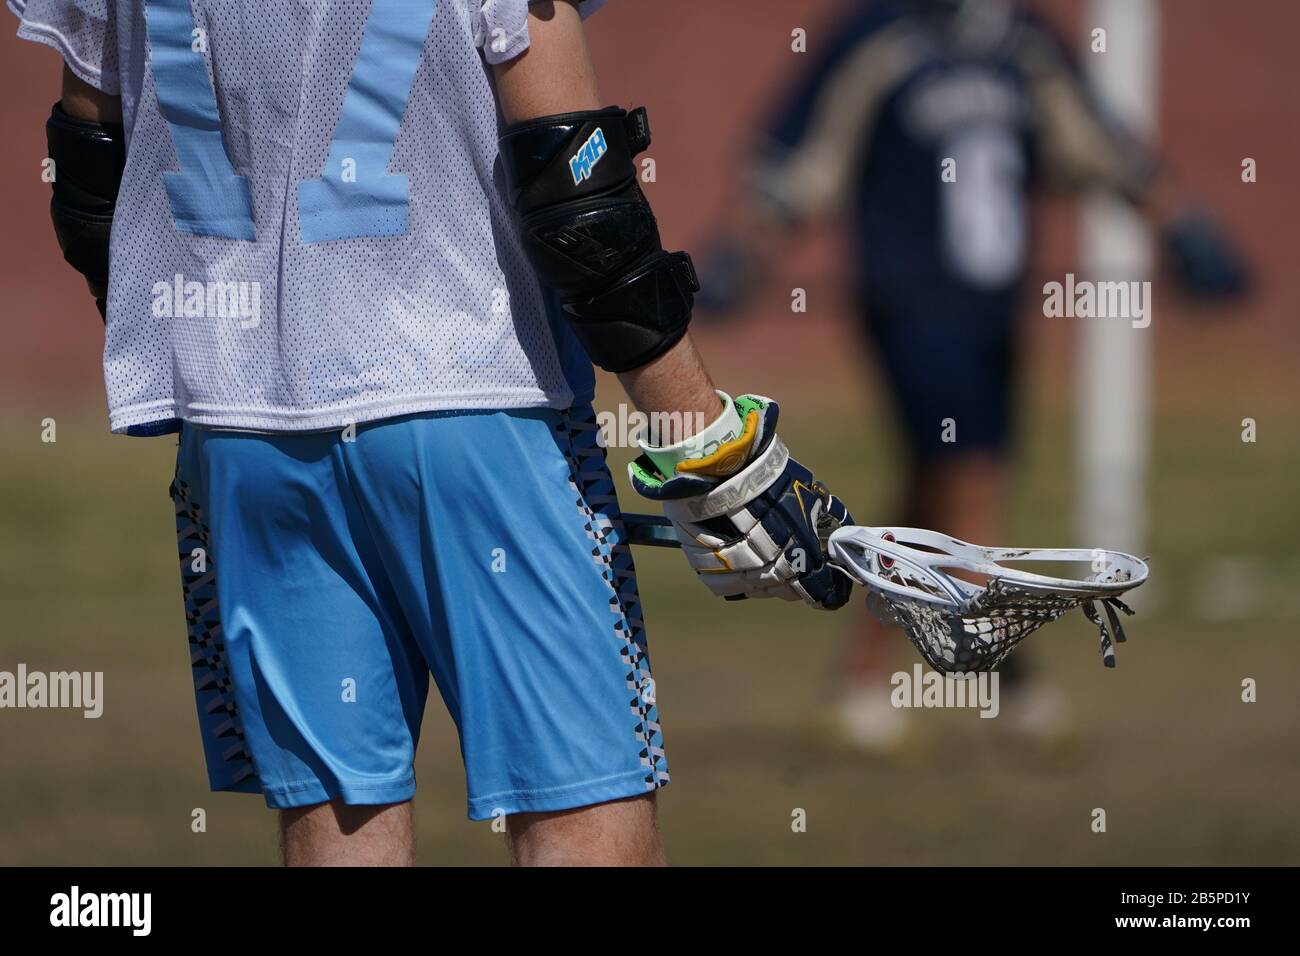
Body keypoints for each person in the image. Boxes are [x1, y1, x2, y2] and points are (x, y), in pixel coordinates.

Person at [16, 0, 854, 866]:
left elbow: (90, 181)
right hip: (471, 405)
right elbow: (579, 200)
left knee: (341, 834)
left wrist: (221, 357)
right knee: (582, 816)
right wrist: (706, 437)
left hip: (242, 435)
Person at [694, 0, 1247, 753]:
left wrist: (1181, 224)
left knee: (938, 486)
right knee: (970, 479)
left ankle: (861, 682)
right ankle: (1014, 686)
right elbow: (802, 158)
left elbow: (1094, 142)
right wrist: (745, 251)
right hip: (910, 304)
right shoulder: (878, 37)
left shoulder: (1019, 41)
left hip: (993, 310)